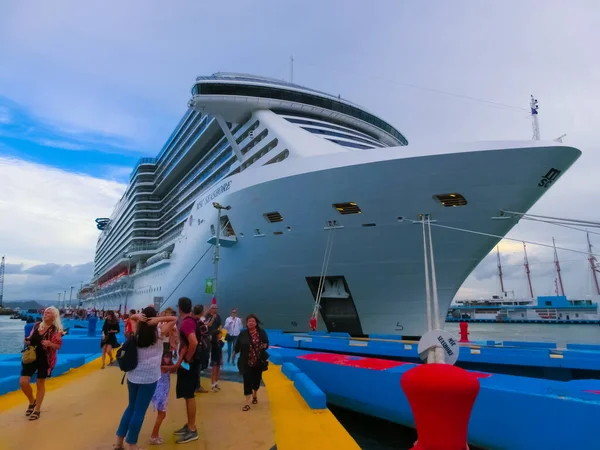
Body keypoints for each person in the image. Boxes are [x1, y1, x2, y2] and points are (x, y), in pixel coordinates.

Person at [114, 307, 177, 450]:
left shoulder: (137, 331)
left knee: (131, 407)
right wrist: (158, 319)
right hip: (150, 378)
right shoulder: (159, 333)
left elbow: (131, 318)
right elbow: (174, 319)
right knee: (139, 411)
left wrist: (138, 316)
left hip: (133, 375)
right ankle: (132, 444)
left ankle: (119, 441)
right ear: (154, 317)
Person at [20, 307, 63, 421]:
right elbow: (30, 337)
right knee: (23, 382)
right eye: (45, 312)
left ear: (54, 316)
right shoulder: (37, 325)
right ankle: (32, 401)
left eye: (48, 312)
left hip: (45, 359)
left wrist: (50, 344)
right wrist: (27, 340)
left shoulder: (56, 330)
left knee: (40, 384)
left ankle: (37, 409)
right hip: (31, 357)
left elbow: (58, 346)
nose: (45, 314)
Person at [172, 297, 199, 444]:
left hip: (189, 365)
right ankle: (189, 424)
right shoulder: (190, 320)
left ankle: (192, 429)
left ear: (179, 308)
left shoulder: (187, 323)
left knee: (189, 395)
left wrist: (186, 359)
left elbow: (193, 342)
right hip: (190, 364)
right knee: (187, 395)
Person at [234, 314, 269, 411]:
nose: (251, 323)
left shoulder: (261, 333)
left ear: (256, 322)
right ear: (247, 323)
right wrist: (234, 353)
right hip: (246, 361)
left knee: (256, 379)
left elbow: (266, 344)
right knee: (247, 380)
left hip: (258, 360)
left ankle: (255, 394)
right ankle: (247, 402)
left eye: (253, 321)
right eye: (249, 321)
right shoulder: (243, 333)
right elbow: (238, 345)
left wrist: (264, 346)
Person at [148, 351, 174, 445]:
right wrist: (182, 354)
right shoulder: (162, 367)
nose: (168, 359)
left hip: (163, 392)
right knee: (162, 415)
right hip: (160, 393)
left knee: (161, 414)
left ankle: (155, 435)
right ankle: (153, 436)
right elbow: (175, 367)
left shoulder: (165, 366)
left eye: (169, 357)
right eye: (166, 357)